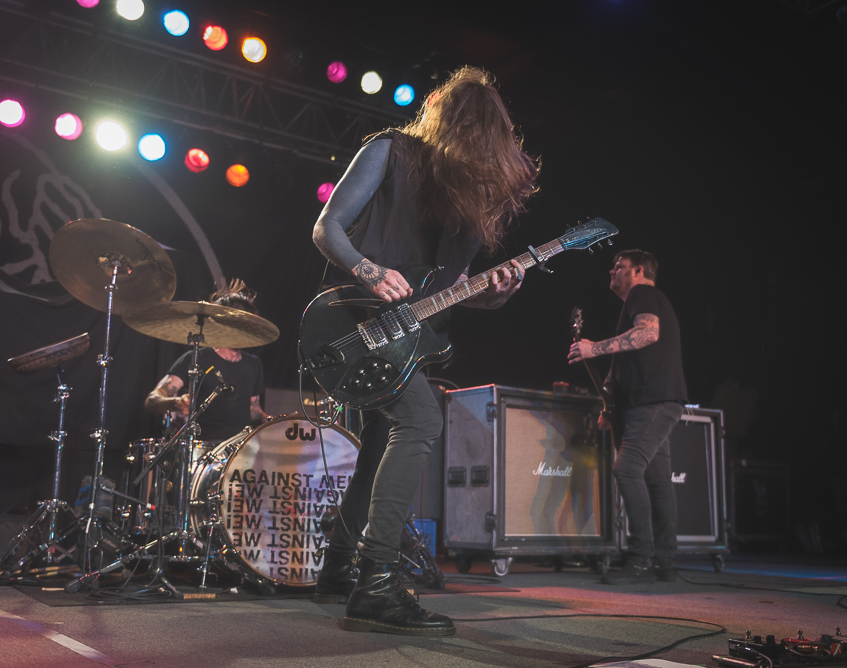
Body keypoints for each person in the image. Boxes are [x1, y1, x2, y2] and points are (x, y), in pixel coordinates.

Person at [310, 66, 539, 635]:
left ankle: (337, 569)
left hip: (403, 339)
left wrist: (495, 294)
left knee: (378, 445)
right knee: (419, 419)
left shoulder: (467, 202)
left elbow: (446, 291)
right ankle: (376, 584)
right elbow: (327, 226)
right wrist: (368, 270)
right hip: (349, 323)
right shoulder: (389, 152)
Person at [568, 250, 688, 584]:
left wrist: (594, 347)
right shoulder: (636, 302)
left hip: (652, 403)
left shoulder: (642, 293)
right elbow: (628, 361)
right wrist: (610, 406)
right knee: (658, 481)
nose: (612, 271)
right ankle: (665, 563)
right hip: (650, 402)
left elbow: (648, 333)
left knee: (627, 469)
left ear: (638, 271)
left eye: (619, 267)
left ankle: (639, 560)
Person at [144, 279, 271, 443]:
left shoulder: (254, 364)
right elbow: (152, 400)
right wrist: (176, 403)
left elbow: (253, 408)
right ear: (224, 324)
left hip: (240, 449)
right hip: (204, 448)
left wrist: (271, 420)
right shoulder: (197, 358)